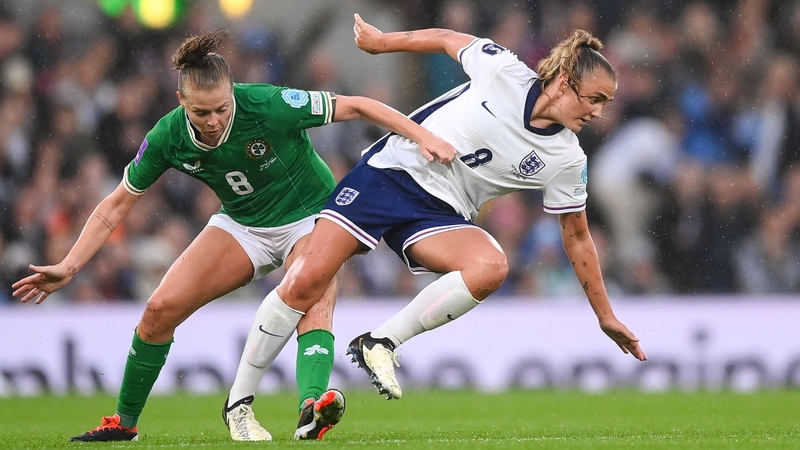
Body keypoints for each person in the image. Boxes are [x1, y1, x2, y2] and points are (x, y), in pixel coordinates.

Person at [11, 29, 456, 441]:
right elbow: (115, 207)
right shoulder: (166, 136)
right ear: (180, 101)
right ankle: (123, 425)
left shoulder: (267, 104)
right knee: (159, 309)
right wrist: (69, 265)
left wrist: (421, 136)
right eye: (200, 112)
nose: (213, 120)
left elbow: (357, 105)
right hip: (243, 223)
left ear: (232, 94)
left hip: (315, 215)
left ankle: (310, 406)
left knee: (310, 290)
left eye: (222, 108)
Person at [222, 12, 647, 406]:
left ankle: (381, 343)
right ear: (565, 80)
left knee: (491, 266)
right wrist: (381, 42)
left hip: (440, 216)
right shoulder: (503, 70)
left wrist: (605, 316)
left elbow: (577, 235)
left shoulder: (568, 160)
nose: (598, 112)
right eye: (595, 98)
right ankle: (239, 403)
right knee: (305, 283)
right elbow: (447, 38)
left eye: (605, 103)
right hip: (390, 172)